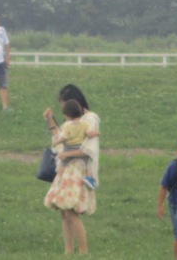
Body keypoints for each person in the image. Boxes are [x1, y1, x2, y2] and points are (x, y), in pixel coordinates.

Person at [43, 84, 100, 255]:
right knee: (64, 211)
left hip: (78, 169)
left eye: (63, 103)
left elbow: (89, 148)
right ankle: (68, 251)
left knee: (71, 212)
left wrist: (67, 154)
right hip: (66, 170)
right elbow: (62, 141)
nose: (62, 107)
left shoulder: (89, 119)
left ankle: (83, 251)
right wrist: (51, 121)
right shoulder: (72, 123)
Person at [51, 99, 100, 189]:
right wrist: (96, 133)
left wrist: (56, 142)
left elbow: (64, 137)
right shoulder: (85, 124)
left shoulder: (67, 125)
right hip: (79, 147)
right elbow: (89, 134)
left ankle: (58, 180)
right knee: (89, 161)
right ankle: (89, 178)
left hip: (68, 148)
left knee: (63, 163)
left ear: (68, 115)